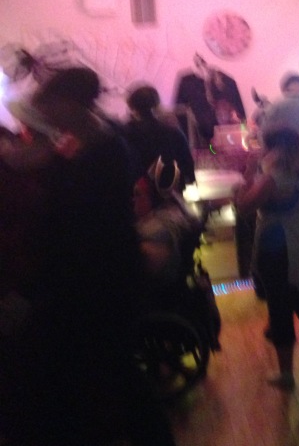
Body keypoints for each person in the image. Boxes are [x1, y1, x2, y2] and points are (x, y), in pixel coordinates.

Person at [1, 67, 175, 445]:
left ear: (66, 104)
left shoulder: (93, 147)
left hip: (92, 278)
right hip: (104, 272)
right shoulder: (100, 140)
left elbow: (74, 214)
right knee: (113, 374)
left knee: (109, 375)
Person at [233, 125, 299, 389]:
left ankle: (286, 374)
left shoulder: (272, 179)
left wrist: (246, 175)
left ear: (273, 148)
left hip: (276, 250)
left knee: (279, 310)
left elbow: (243, 207)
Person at [125, 81, 196, 192]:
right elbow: (187, 164)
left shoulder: (125, 133)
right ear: (157, 105)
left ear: (133, 108)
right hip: (171, 191)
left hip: (137, 193)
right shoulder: (173, 132)